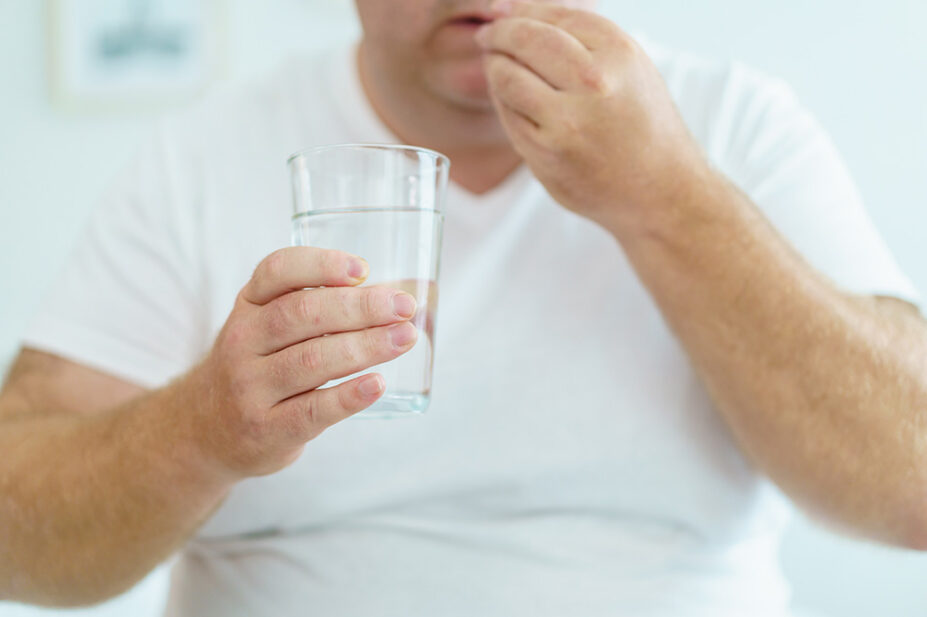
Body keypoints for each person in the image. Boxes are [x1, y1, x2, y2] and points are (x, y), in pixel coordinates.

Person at [2, 1, 925, 615]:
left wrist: (665, 195)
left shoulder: (733, 123)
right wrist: (200, 427)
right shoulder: (202, 153)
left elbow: (911, 487)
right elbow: (15, 534)